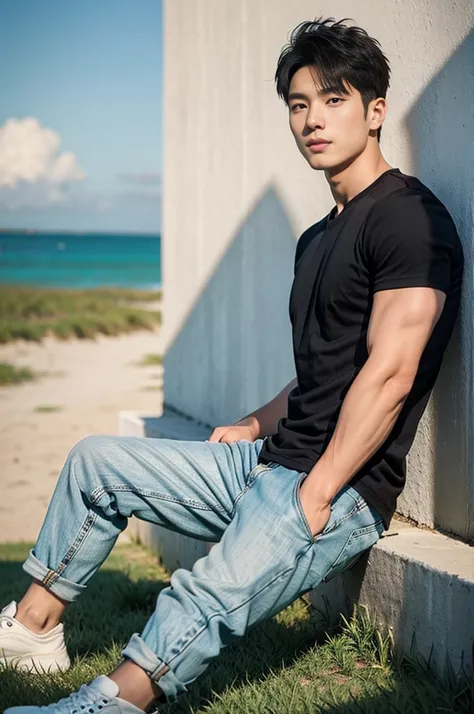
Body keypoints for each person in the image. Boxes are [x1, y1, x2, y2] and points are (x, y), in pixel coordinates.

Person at [1, 16, 464, 714]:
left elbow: (391, 374)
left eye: (334, 99)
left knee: (205, 592)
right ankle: (32, 632)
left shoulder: (406, 219)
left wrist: (318, 493)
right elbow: (325, 369)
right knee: (98, 462)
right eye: (299, 102)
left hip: (336, 491)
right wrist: (254, 422)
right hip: (271, 462)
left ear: (376, 112)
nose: (312, 118)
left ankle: (111, 703)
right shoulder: (319, 237)